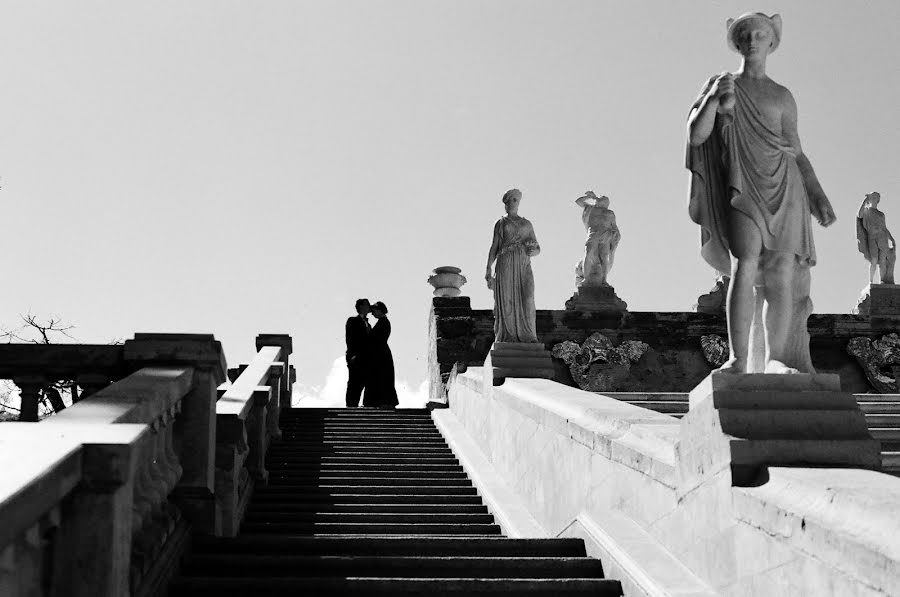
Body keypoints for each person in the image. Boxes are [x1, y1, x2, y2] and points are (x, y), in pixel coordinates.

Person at [687, 13, 836, 375]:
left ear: (772, 42)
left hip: (786, 187)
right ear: (736, 42)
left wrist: (817, 194)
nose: (753, 40)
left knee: (781, 272)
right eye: (746, 35)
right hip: (742, 184)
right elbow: (696, 135)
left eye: (760, 34)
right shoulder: (724, 84)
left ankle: (776, 358)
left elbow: (796, 151)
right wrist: (712, 101)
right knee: (745, 263)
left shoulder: (783, 96)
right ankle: (739, 360)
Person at [485, 189, 541, 343]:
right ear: (506, 203)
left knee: (528, 298)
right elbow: (494, 246)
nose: (512, 203)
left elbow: (537, 248)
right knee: (507, 301)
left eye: (515, 200)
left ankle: (529, 336)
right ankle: (507, 337)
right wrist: (488, 268)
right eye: (510, 200)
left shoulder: (526, 223)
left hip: (523, 264)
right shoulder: (501, 223)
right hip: (506, 263)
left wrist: (534, 250)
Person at [575, 191, 620, 287]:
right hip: (593, 234)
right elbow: (578, 201)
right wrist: (591, 197)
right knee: (588, 252)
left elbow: (614, 227)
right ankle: (586, 279)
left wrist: (616, 235)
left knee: (604, 257)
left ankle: (604, 280)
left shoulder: (610, 213)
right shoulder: (591, 209)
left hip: (605, 236)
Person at [363, 301, 398, 408]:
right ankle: (379, 401)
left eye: (373, 311)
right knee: (380, 378)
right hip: (380, 353)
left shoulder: (383, 322)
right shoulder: (383, 322)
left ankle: (384, 401)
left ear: (379, 310)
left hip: (380, 354)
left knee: (381, 378)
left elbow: (376, 339)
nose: (372, 314)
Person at [857, 192, 896, 285]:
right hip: (872, 237)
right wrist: (864, 201)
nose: (874, 198)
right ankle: (870, 281)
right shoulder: (866, 210)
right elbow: (859, 215)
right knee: (874, 260)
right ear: (870, 198)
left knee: (883, 260)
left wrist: (891, 238)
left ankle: (882, 280)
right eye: (872, 197)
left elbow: (884, 227)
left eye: (876, 197)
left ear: (878, 200)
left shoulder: (881, 214)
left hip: (882, 237)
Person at [344, 298, 371, 407]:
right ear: (361, 307)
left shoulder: (368, 325)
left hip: (366, 358)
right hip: (355, 356)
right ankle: (351, 406)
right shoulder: (352, 320)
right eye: (367, 305)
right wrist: (353, 354)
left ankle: (361, 405)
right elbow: (349, 338)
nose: (369, 307)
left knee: (364, 381)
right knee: (354, 382)